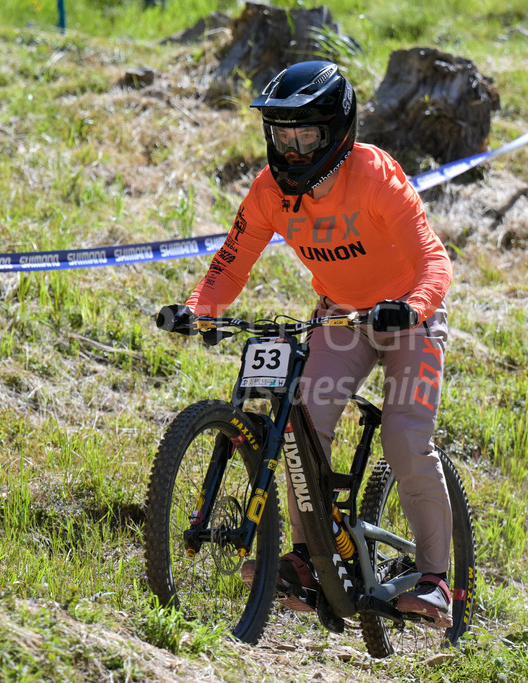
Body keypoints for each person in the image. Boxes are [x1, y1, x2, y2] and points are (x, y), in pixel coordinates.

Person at [158, 61, 455, 627]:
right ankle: (306, 558)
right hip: (340, 318)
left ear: (336, 132)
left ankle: (438, 580)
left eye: (306, 135)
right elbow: (230, 263)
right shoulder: (270, 191)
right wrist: (199, 309)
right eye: (282, 135)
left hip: (409, 319)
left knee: (404, 436)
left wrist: (412, 306)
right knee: (299, 426)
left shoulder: (374, 176)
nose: (292, 150)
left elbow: (432, 259)